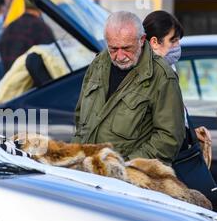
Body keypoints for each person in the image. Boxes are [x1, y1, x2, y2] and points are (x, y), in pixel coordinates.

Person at [72, 11, 185, 165]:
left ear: (142, 40)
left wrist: (124, 166)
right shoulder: (98, 64)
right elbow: (80, 120)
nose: (120, 56)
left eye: (126, 48)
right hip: (87, 172)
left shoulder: (161, 75)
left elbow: (168, 139)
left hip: (127, 181)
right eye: (113, 48)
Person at [143, 10, 212, 167]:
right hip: (158, 163)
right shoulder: (148, 76)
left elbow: (170, 116)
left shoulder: (168, 68)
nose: (177, 46)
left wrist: (188, 133)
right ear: (154, 42)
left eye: (178, 41)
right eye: (172, 41)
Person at [0, 0, 54, 72]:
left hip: (11, 79)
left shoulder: (10, 27)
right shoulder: (41, 28)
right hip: (34, 80)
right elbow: (52, 57)